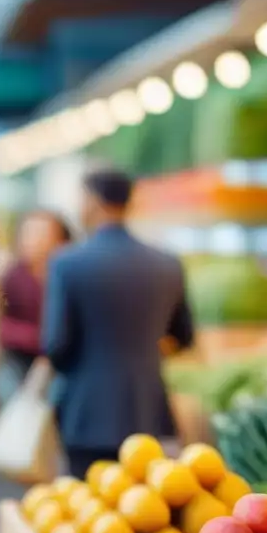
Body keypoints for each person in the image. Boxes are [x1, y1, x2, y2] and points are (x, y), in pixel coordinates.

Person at [41, 168, 195, 479]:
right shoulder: (167, 263)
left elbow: (56, 345)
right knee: (143, 511)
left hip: (86, 412)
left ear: (94, 201)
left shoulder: (67, 263)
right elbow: (184, 336)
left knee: (87, 511)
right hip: (149, 409)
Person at [0, 210, 72, 385]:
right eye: (27, 233)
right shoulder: (14, 276)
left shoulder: (72, 279)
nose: (30, 241)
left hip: (63, 365)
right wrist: (42, 338)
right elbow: (2, 328)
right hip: (20, 363)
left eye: (40, 234)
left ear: (61, 242)